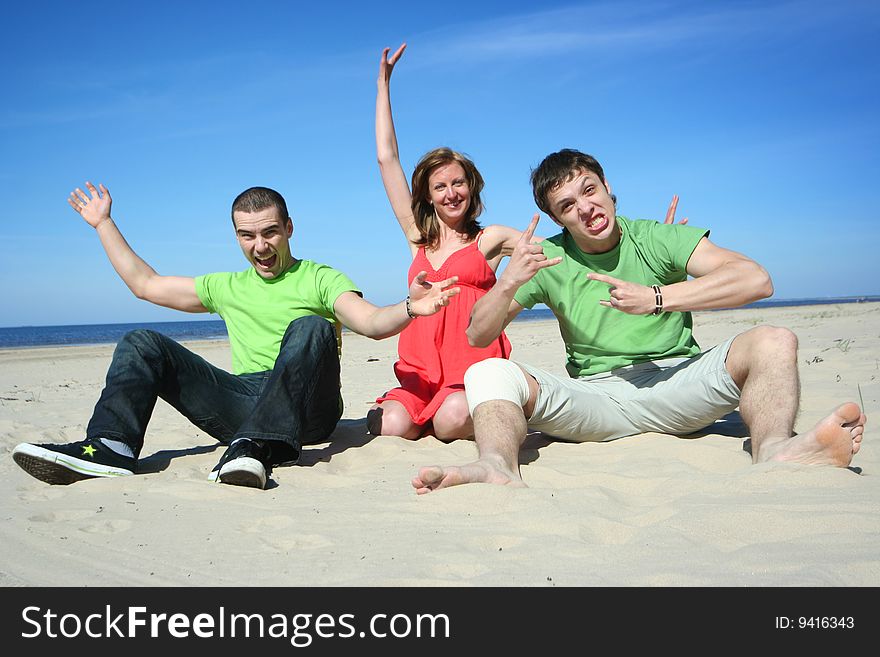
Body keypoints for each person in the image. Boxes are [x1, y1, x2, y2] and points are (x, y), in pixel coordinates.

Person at [411, 148, 865, 493]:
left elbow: (756, 280)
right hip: (597, 400)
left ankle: (774, 450)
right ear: (557, 219)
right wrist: (508, 284)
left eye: (588, 190)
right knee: (488, 370)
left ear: (607, 187)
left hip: (680, 386)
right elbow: (477, 333)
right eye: (567, 206)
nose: (585, 208)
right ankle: (497, 466)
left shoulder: (656, 237)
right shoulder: (549, 256)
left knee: (774, 338)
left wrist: (657, 297)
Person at [11, 182, 459, 490]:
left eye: (269, 232)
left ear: (288, 229)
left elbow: (370, 322)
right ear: (236, 237)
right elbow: (145, 285)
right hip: (246, 401)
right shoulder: (227, 286)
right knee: (141, 342)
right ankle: (111, 447)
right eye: (247, 236)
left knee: (311, 327)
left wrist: (408, 307)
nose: (259, 246)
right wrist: (103, 224)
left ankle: (259, 446)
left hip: (309, 408)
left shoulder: (319, 277)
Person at [371, 44, 686, 441]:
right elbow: (387, 159)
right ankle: (415, 409)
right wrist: (383, 84)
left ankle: (482, 409)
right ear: (428, 195)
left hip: (467, 362)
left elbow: (567, 246)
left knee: (449, 422)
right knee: (392, 427)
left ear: (471, 187)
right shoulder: (417, 236)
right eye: (440, 186)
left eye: (458, 182)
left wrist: (647, 250)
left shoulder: (492, 238)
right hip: (420, 364)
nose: (451, 193)